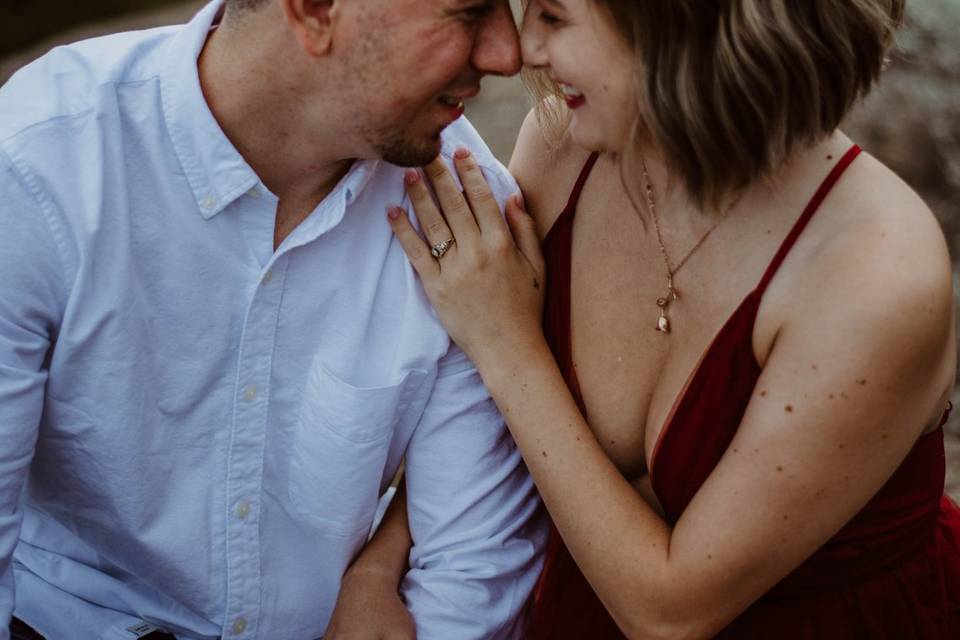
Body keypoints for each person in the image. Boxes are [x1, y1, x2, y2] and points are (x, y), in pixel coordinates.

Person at [330, 0, 960, 637]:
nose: (525, 51)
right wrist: (379, 568)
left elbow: (671, 616)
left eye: (553, 16)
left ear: (679, 29)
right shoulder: (563, 151)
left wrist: (506, 342)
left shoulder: (874, 276)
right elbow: (493, 427)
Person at [0, 0, 549, 638]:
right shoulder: (39, 167)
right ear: (313, 10)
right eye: (468, 12)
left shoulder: (468, 215)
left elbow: (468, 576)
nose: (507, 54)